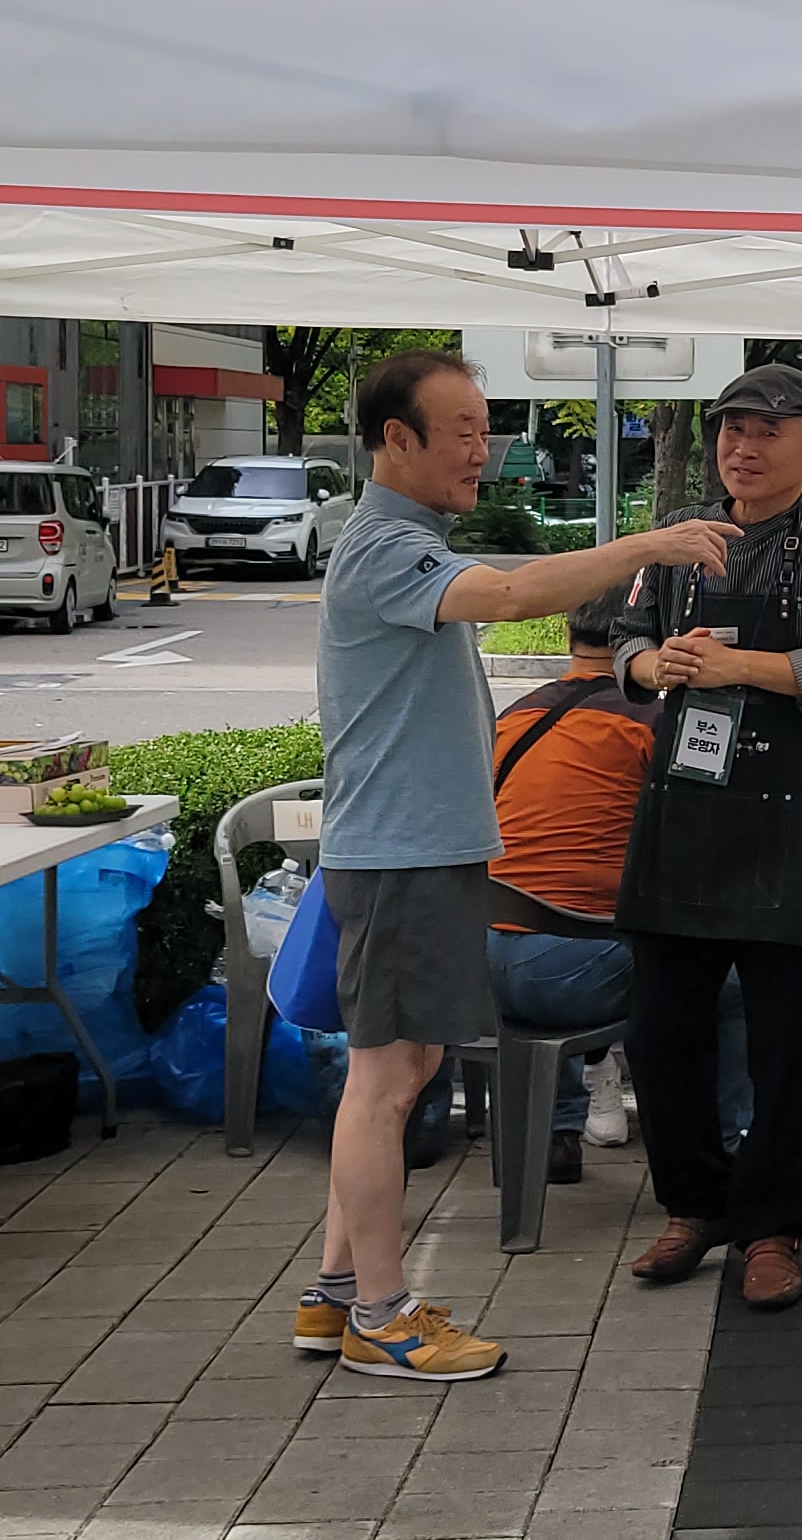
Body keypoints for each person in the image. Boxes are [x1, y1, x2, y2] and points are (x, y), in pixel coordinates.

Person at [301, 350, 736, 1383]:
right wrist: (652, 542)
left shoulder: (408, 544)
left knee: (396, 1076)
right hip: (401, 858)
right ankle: (381, 1315)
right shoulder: (383, 548)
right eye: (461, 430)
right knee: (387, 1083)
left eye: (483, 428)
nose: (481, 451)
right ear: (396, 439)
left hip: (422, 855)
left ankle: (336, 1297)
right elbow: (510, 595)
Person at [613, 364, 802, 1313]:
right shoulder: (678, 538)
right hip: (684, 815)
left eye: (770, 431)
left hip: (793, 824)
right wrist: (653, 664)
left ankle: (773, 1228)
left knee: (787, 1044)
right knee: (664, 1034)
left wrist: (737, 667)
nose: (745, 446)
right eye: (733, 428)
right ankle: (693, 1207)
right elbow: (624, 640)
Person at [486, 587, 652, 1185]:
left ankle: (557, 1131)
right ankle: (725, 1144)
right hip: (571, 977)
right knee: (722, 976)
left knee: (557, 919)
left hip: (476, 969)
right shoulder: (648, 724)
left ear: (567, 637)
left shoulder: (514, 717)